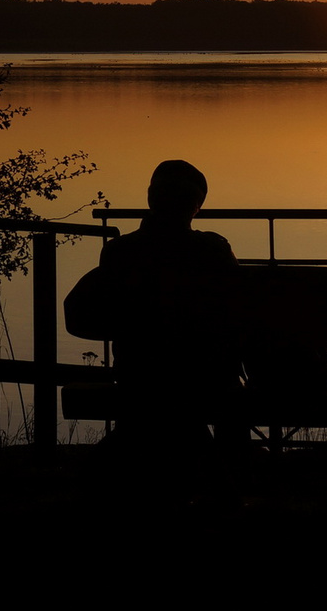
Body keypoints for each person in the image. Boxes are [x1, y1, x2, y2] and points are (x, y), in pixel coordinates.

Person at [95, 159, 242, 448]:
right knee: (228, 389)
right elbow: (237, 309)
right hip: (205, 377)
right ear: (195, 207)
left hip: (137, 375)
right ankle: (231, 466)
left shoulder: (118, 252)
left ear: (151, 199)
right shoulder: (213, 250)